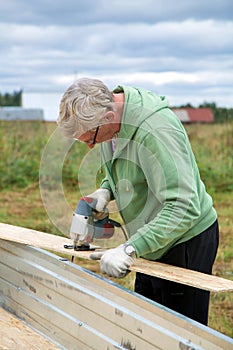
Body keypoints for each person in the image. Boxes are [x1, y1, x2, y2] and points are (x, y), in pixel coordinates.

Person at [57, 77, 219, 325]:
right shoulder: (110, 126)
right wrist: (106, 191)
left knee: (180, 332)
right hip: (150, 237)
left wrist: (129, 249)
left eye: (90, 139)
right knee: (148, 326)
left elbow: (184, 206)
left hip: (184, 241)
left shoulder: (156, 131)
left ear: (108, 117)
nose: (90, 147)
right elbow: (125, 172)